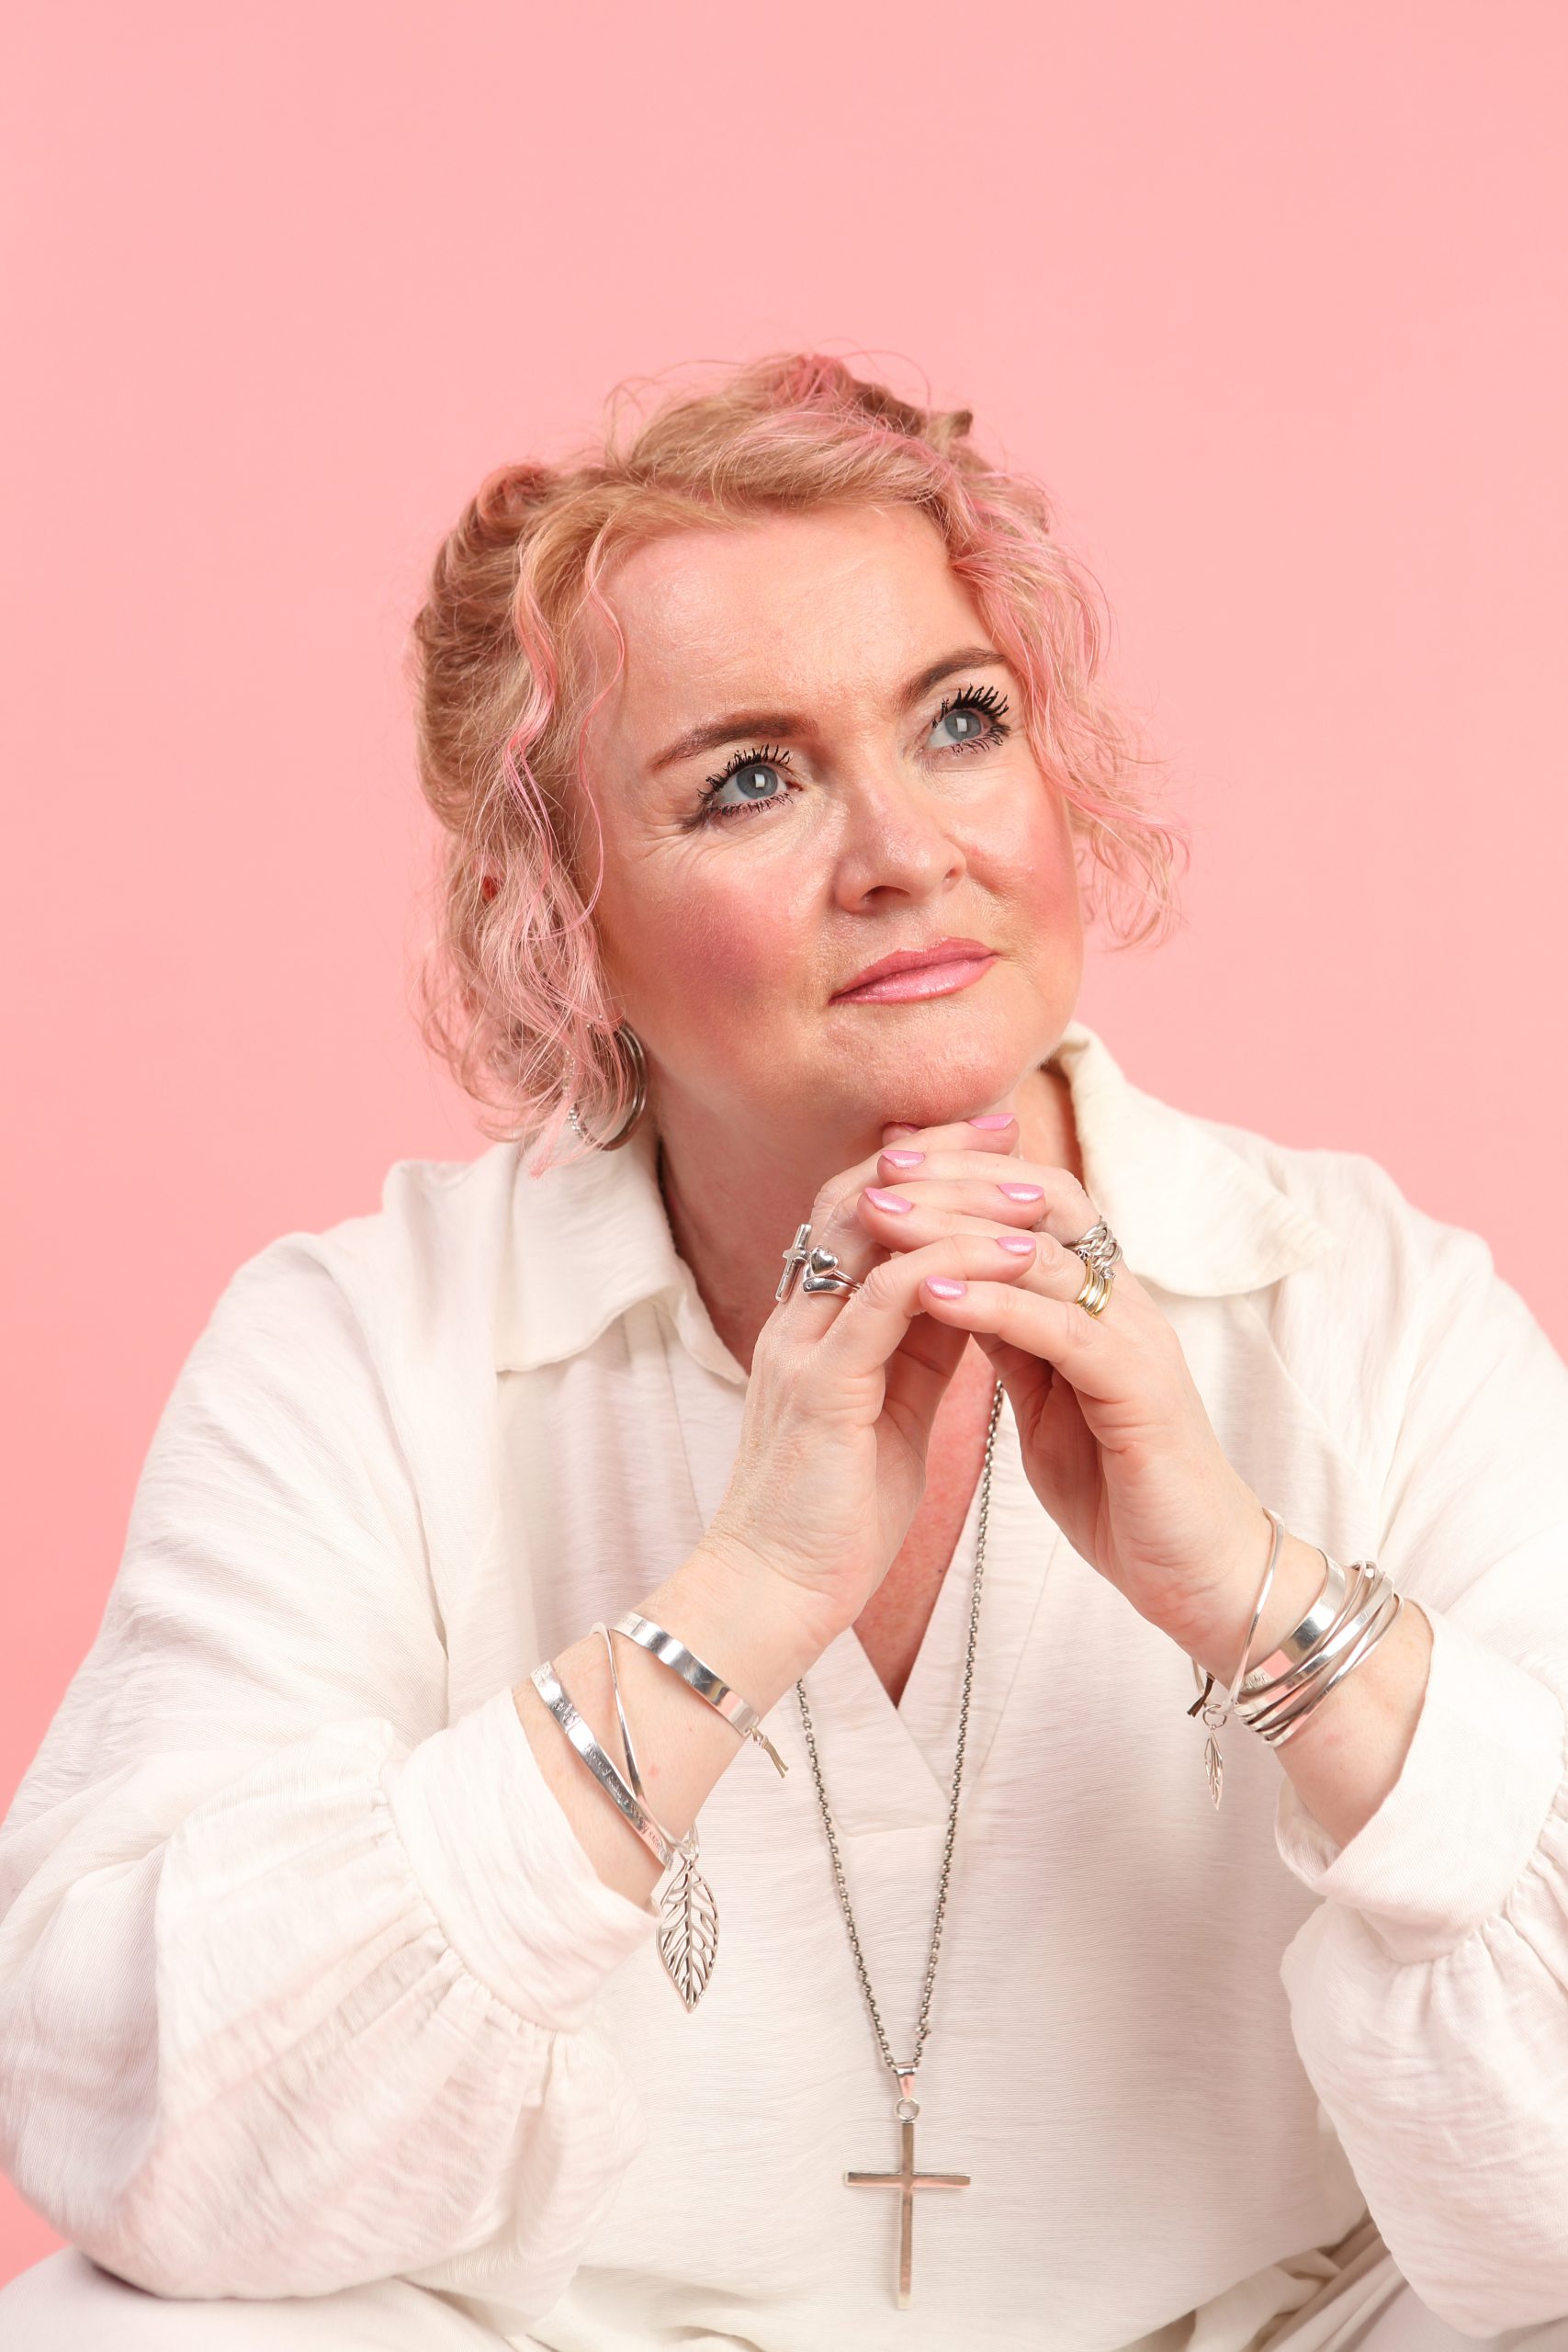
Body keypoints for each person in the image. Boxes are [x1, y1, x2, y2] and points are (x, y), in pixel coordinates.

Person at [2, 352, 1566, 2352]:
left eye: (959, 721)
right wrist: (737, 1602)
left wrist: (1256, 1598)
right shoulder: (365, 1343)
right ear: (557, 921)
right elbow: (154, 2124)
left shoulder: (1365, 1299)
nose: (904, 849)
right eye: (748, 776)